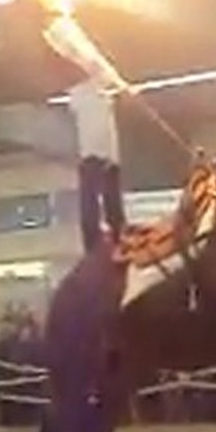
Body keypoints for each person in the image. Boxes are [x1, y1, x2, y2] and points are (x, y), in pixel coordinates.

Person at [44, 13, 127, 253]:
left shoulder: (65, 27)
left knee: (110, 162)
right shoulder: (58, 28)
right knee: (96, 160)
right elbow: (90, 60)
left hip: (98, 95)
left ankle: (117, 228)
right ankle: (95, 239)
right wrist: (116, 80)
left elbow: (93, 59)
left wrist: (115, 82)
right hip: (88, 96)